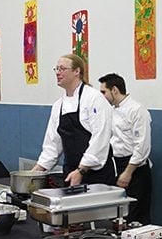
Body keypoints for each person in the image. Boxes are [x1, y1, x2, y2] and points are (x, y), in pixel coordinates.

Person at [32, 54, 115, 187]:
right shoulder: (58, 106)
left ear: (77, 71)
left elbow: (100, 138)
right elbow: (52, 145)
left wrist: (81, 170)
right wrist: (34, 173)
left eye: (62, 69)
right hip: (71, 173)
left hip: (96, 175)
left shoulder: (94, 98)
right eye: (56, 69)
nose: (58, 73)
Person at [98, 73, 152, 224]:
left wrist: (128, 172)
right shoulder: (110, 110)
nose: (102, 96)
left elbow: (142, 146)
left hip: (135, 168)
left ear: (114, 90)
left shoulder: (137, 110)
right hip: (115, 164)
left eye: (104, 92)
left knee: (135, 215)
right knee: (118, 216)